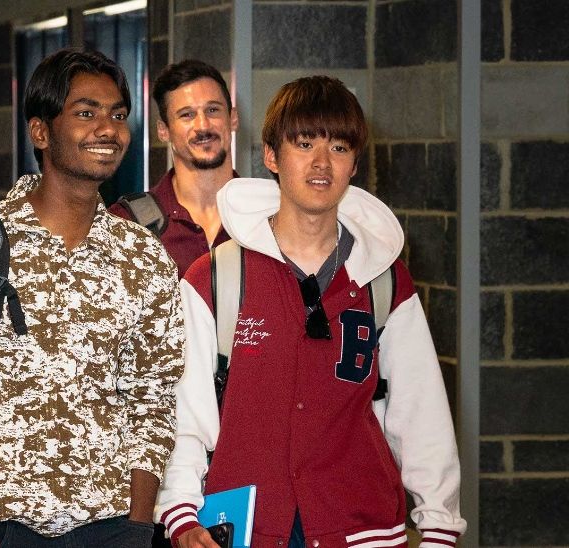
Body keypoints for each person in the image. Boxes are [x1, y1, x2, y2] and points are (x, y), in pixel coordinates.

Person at [157, 76, 466, 548]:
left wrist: (440, 526)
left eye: (339, 147)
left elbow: (422, 415)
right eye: (304, 144)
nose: (322, 163)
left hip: (363, 531)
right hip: (246, 530)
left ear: (354, 164)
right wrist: (180, 514)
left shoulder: (384, 280)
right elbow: (185, 414)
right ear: (271, 156)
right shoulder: (215, 279)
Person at [0, 48, 183, 547]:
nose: (108, 130)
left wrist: (137, 528)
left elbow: (152, 398)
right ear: (41, 131)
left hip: (109, 526)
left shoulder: (143, 256)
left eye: (118, 115)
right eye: (86, 113)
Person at [6, 59, 237, 278]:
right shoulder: (128, 223)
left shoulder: (266, 213)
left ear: (233, 118)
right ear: (163, 130)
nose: (203, 125)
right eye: (187, 115)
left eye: (213, 110)